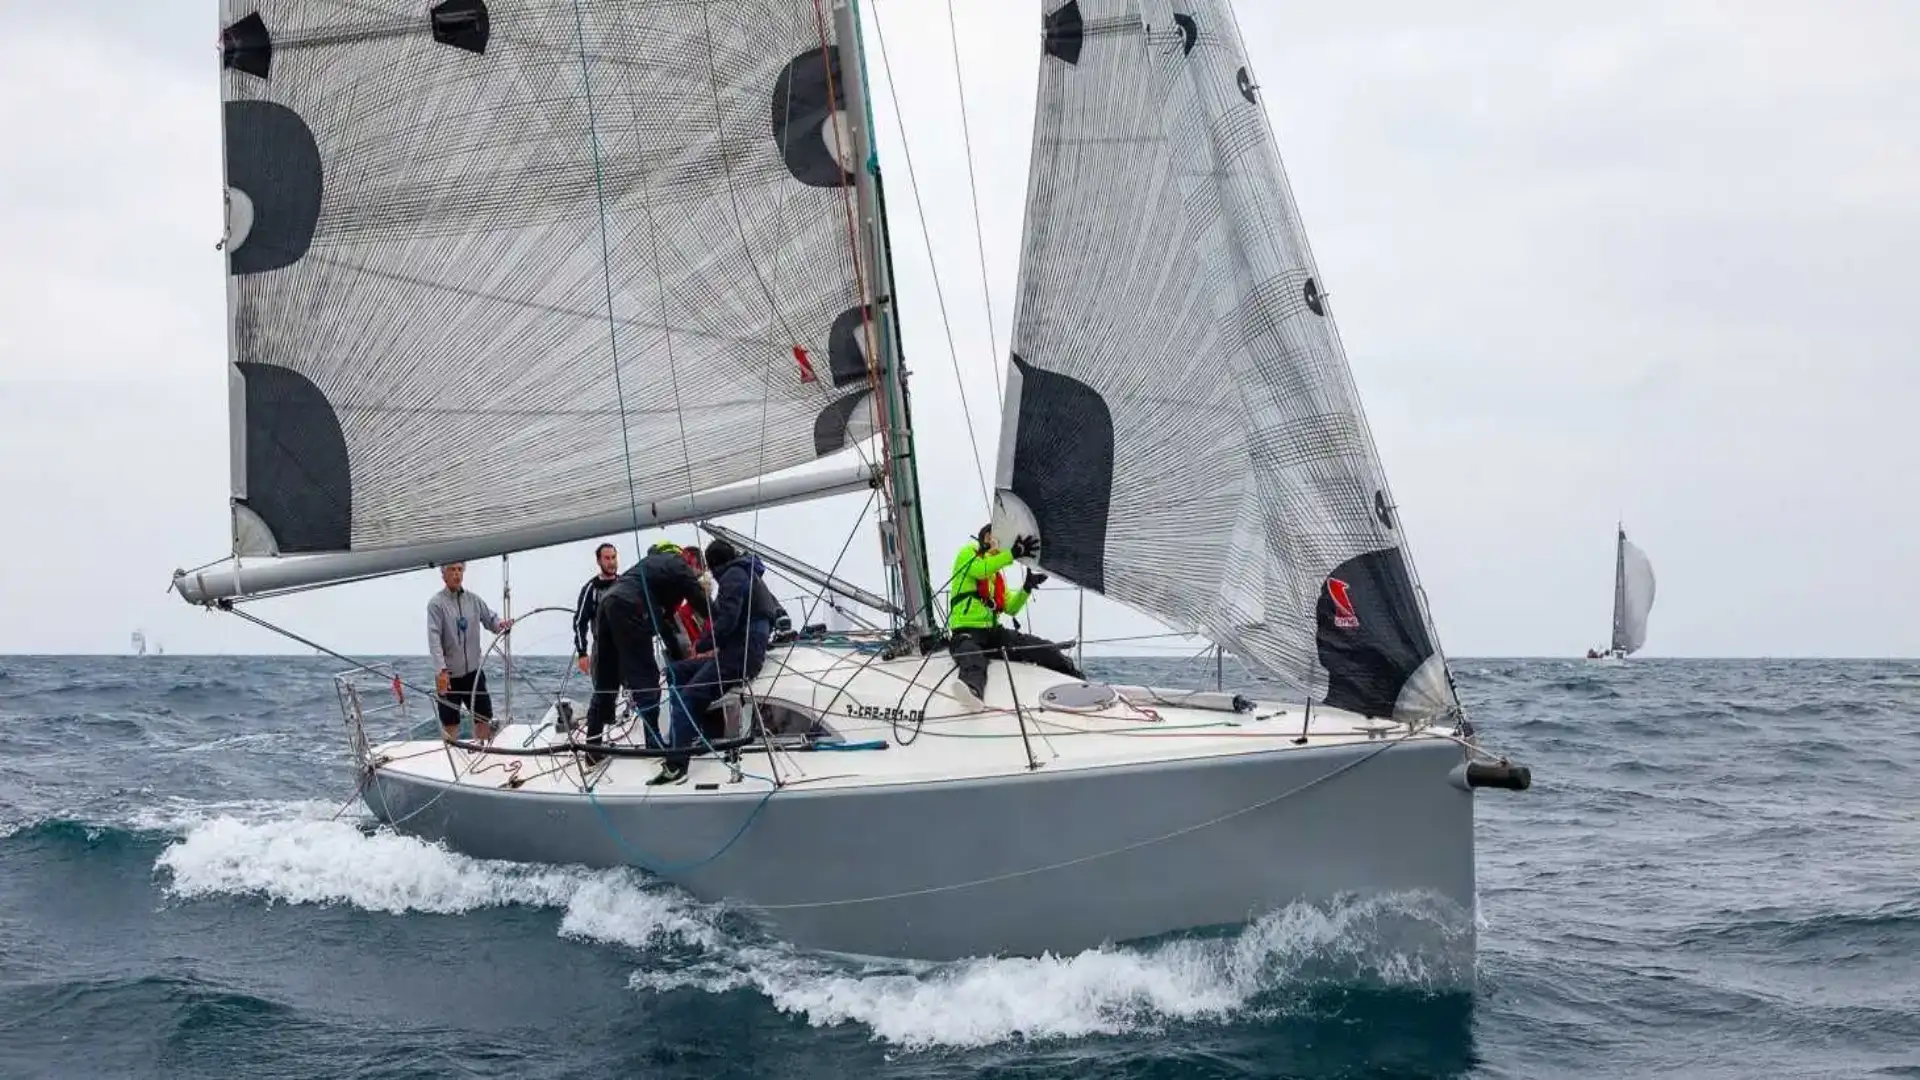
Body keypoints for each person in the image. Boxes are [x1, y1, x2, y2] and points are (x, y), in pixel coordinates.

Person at [654, 538, 787, 785]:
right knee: (677, 672)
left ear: (715, 564)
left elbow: (727, 621)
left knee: (688, 697)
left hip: (739, 657)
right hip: (740, 651)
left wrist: (701, 644)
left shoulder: (734, 576)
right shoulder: (748, 572)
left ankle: (676, 765)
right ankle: (699, 736)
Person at [583, 538, 711, 759]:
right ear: (693, 563)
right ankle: (653, 743)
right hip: (631, 608)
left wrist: (678, 655)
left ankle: (592, 747)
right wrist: (724, 626)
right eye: (698, 573)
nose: (697, 577)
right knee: (645, 675)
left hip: (609, 604)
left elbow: (666, 622)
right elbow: (701, 601)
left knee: (606, 678)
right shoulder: (679, 564)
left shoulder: (650, 567)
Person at [946, 525, 1081, 701]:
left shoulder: (996, 576)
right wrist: (1013, 553)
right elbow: (981, 570)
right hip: (967, 633)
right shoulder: (968, 553)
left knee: (1041, 647)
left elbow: (1011, 608)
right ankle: (972, 691)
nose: (1003, 546)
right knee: (973, 659)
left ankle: (1076, 676)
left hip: (993, 633)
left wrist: (1027, 588)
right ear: (987, 538)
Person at [427, 562, 513, 742]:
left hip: (473, 672)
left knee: (483, 717)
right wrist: (440, 670)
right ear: (443, 574)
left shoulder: (474, 600)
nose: (456, 574)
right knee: (450, 722)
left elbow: (491, 620)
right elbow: (434, 638)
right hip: (448, 674)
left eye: (459, 569)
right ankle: (451, 760)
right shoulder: (436, 604)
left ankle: (482, 753)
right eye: (452, 570)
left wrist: (501, 624)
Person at [572, 542, 619, 675]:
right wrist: (582, 653)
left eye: (614, 557)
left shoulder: (625, 584)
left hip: (626, 647)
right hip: (603, 649)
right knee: (604, 694)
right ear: (599, 561)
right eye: (607, 558)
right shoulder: (590, 589)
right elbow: (580, 622)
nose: (612, 562)